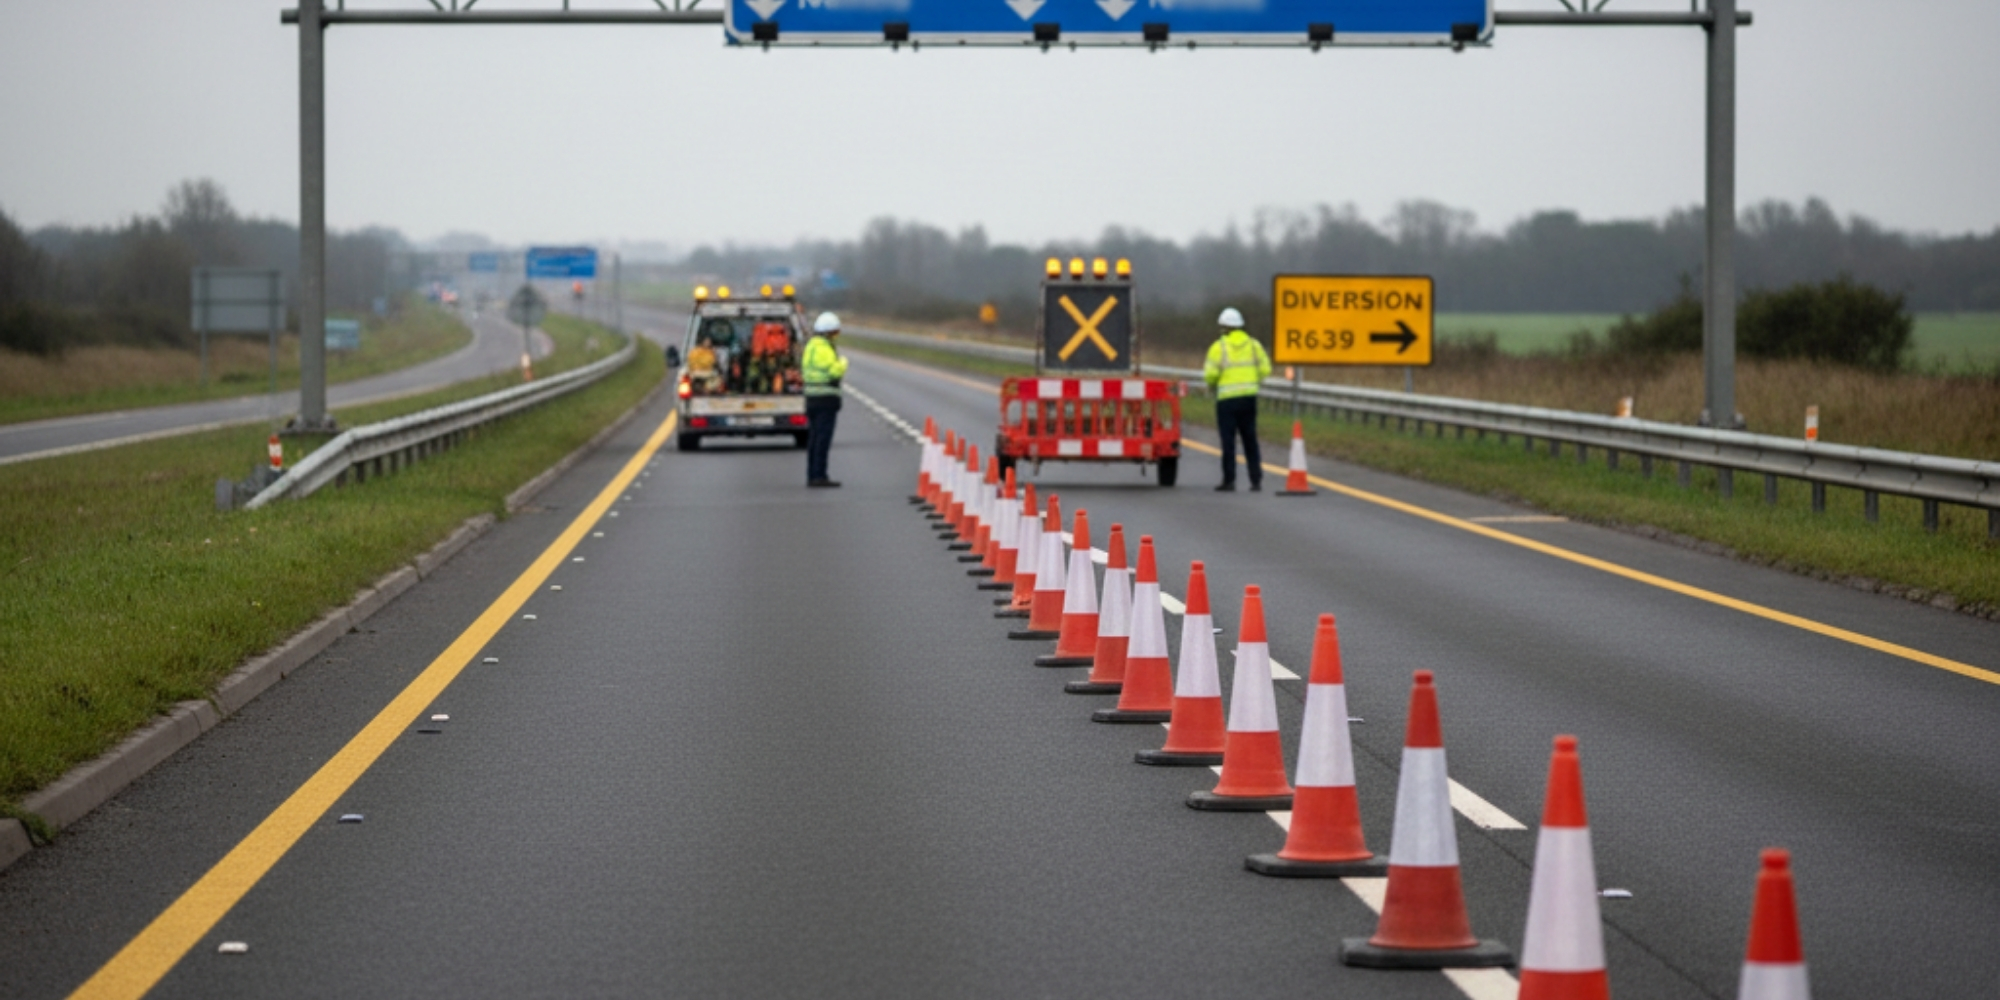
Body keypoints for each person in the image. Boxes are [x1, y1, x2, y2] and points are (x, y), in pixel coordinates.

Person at [1203, 306, 1272, 491]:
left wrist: (1214, 385)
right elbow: (1266, 369)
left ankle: (1229, 480)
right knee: (1250, 439)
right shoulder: (1253, 345)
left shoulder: (1219, 347)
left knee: (1228, 442)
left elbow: (1210, 375)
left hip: (1226, 400)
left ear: (1224, 327)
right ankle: (1256, 480)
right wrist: (1252, 381)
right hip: (1249, 399)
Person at [801, 311, 849, 488]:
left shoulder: (810, 346)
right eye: (835, 332)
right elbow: (834, 371)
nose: (837, 336)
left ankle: (812, 474)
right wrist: (843, 362)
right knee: (823, 438)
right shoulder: (824, 349)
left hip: (812, 398)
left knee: (814, 438)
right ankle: (819, 475)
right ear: (828, 332)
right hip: (825, 399)